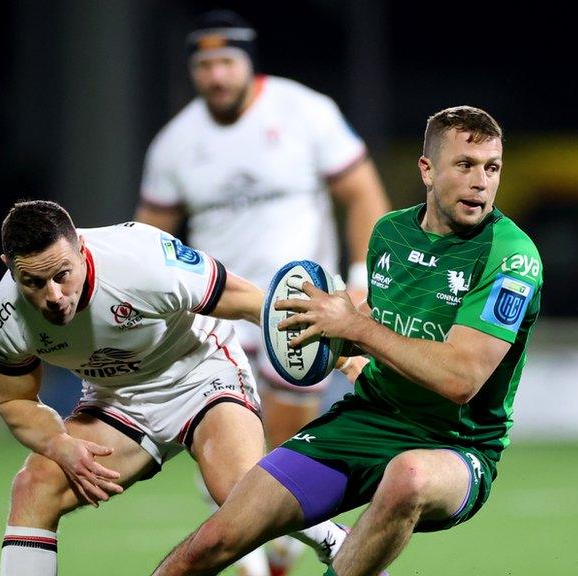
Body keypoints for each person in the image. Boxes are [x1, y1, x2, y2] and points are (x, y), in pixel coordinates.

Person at [153, 105, 543, 576]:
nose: (481, 181)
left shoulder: (513, 257)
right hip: (365, 421)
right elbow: (386, 333)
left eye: (492, 167)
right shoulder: (390, 233)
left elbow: (460, 378)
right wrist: (329, 337)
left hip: (456, 447)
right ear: (427, 169)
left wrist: (355, 327)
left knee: (409, 476)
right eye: (465, 165)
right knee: (216, 538)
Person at [135, 12, 389, 572]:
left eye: (227, 63)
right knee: (227, 446)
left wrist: (360, 280)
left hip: (300, 310)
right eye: (204, 66)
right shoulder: (175, 143)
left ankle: (274, 550)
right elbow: (148, 238)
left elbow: (363, 191)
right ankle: (260, 561)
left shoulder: (305, 112)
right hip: (217, 312)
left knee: (284, 453)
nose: (217, 76)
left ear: (250, 63)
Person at [0, 200, 352, 576]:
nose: (54, 296)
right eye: (33, 282)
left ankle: (334, 541)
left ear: (81, 246)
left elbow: (249, 303)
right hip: (117, 402)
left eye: (62, 274)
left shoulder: (143, 260)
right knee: (34, 485)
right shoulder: (5, 319)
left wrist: (345, 358)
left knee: (241, 494)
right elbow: (16, 400)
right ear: (9, 268)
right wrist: (58, 444)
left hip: (203, 376)